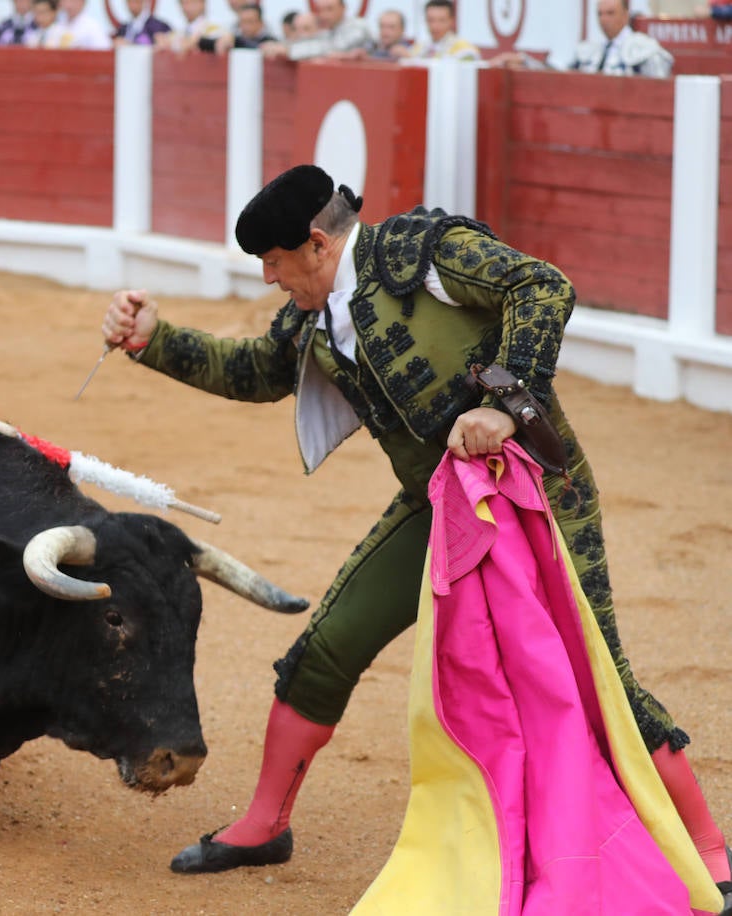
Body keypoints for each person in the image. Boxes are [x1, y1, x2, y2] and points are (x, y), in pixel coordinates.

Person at [98, 164, 732, 903]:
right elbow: (257, 371)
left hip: (535, 497)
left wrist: (508, 402)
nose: (269, 278)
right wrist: (153, 338)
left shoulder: (424, 255)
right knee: (328, 645)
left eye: (273, 262)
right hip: (440, 505)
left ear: (314, 243)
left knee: (597, 679)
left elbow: (542, 286)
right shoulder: (314, 313)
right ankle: (264, 823)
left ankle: (711, 852)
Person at [495, 0, 673, 77]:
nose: (604, 20)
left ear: (626, 15)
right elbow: (559, 75)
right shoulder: (590, 50)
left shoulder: (644, 48)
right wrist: (524, 61)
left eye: (610, 13)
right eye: (600, 14)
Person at [406, 0, 479, 61]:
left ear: (451, 21)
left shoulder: (465, 49)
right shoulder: (419, 47)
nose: (435, 26)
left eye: (442, 20)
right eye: (431, 20)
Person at [39, 0, 112, 49]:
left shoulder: (92, 27)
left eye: (73, 1)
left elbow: (103, 54)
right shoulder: (57, 25)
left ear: (82, 2)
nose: (68, 4)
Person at [208, 3, 277, 54]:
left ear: (261, 23)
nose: (246, 26)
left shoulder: (271, 40)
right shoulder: (233, 38)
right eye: (243, 22)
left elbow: (255, 46)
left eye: (250, 21)